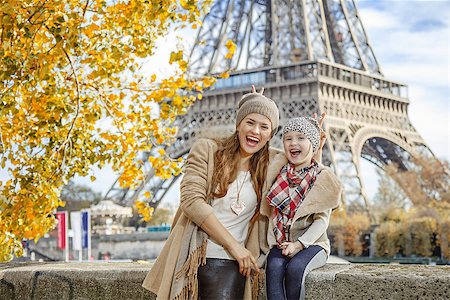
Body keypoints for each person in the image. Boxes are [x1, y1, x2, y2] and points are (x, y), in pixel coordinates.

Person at [143, 86, 282, 300]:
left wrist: (315, 147)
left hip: (236, 266)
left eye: (264, 126)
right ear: (238, 124)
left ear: (270, 135)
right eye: (250, 122)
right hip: (198, 258)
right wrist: (234, 246)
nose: (255, 131)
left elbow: (303, 173)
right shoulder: (207, 150)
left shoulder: (271, 164)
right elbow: (191, 201)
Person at [262, 117, 342, 300]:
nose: (293, 143)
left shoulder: (322, 178)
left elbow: (321, 221)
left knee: (295, 269)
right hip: (282, 243)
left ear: (313, 144)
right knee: (273, 268)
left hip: (313, 244)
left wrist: (299, 244)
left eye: (301, 138)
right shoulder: (278, 172)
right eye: (288, 138)